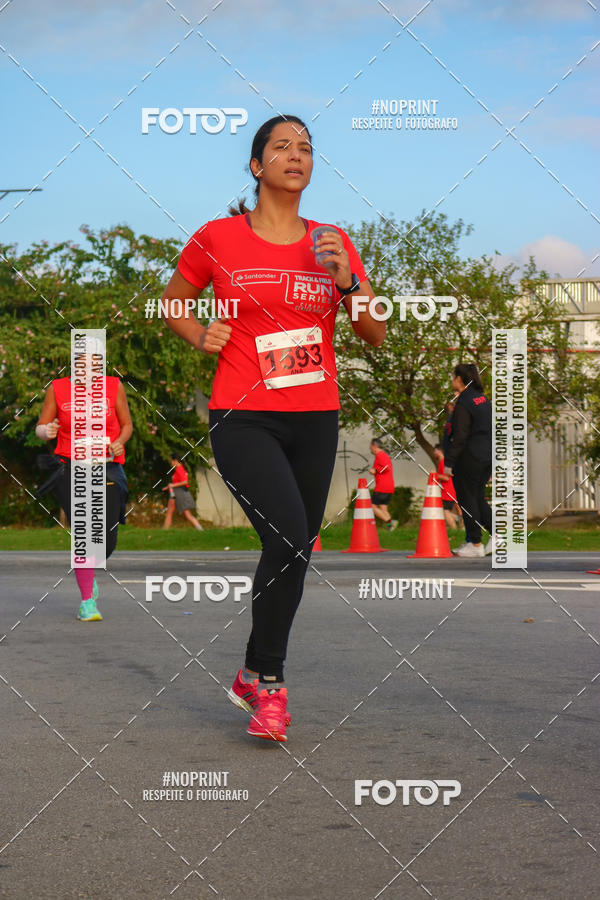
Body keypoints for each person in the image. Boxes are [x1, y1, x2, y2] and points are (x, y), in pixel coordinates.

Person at [161, 114, 385, 741]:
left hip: (315, 415)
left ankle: (251, 669)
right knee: (287, 536)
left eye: (307, 148)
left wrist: (348, 283)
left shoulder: (333, 240)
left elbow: (374, 331)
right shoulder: (219, 238)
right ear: (257, 165)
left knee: (294, 549)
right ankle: (272, 688)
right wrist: (198, 332)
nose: (297, 155)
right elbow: (174, 302)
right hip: (243, 413)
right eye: (282, 147)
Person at [35, 363, 132, 621]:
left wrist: (119, 442)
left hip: (107, 467)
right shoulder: (58, 389)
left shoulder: (114, 386)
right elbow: (40, 428)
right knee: (84, 532)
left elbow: (127, 426)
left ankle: (89, 568)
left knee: (106, 538)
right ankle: (87, 601)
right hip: (70, 469)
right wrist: (48, 431)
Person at [444, 363, 493, 558]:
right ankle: (497, 536)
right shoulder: (482, 399)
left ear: (460, 379)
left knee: (467, 499)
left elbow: (461, 436)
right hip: (486, 456)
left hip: (469, 457)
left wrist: (449, 462)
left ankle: (475, 543)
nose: (451, 380)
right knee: (478, 497)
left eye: (453, 376)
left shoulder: (464, 402)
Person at [162, 454, 203, 530]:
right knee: (170, 511)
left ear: (175, 461)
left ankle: (200, 529)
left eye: (171, 460)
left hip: (181, 493)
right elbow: (177, 483)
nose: (171, 462)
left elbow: (185, 482)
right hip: (176, 493)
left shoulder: (180, 469)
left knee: (187, 514)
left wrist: (172, 486)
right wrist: (168, 487)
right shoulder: (178, 469)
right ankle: (165, 529)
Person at [369, 438, 397, 530]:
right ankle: (391, 529)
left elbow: (387, 467)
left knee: (372, 506)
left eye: (370, 446)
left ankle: (390, 522)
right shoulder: (383, 455)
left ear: (375, 446)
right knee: (383, 508)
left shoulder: (380, 455)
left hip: (382, 486)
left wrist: (375, 470)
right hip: (388, 486)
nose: (370, 449)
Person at [431, 444, 460, 530]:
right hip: (448, 491)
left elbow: (446, 477)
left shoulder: (443, 462)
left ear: (440, 451)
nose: (434, 453)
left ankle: (454, 529)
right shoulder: (443, 462)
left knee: (445, 512)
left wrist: (434, 475)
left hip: (447, 491)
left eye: (435, 450)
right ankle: (459, 519)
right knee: (446, 511)